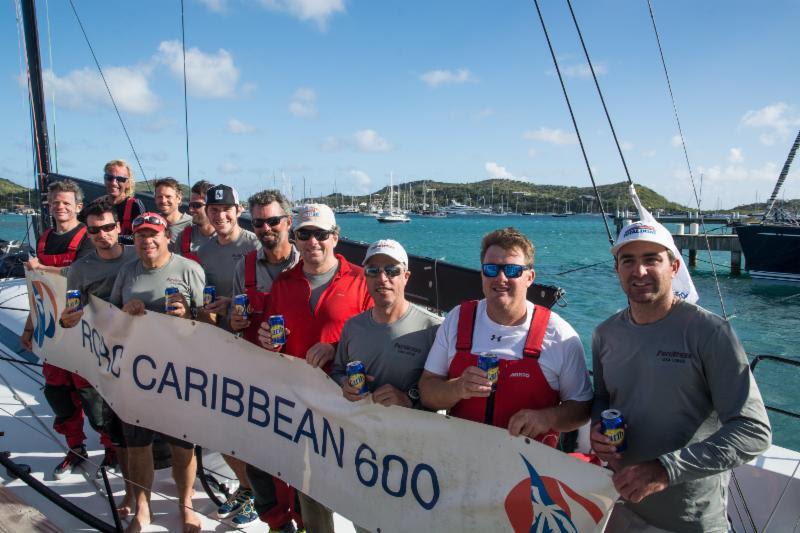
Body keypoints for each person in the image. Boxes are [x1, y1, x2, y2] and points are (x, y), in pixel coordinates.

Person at [590, 220, 772, 533]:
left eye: (651, 259)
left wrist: (665, 469)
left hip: (690, 521)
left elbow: (753, 431)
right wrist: (596, 428)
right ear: (617, 268)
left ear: (674, 266)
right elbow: (604, 398)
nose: (640, 271)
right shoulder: (605, 334)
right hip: (618, 509)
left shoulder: (711, 333)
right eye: (628, 260)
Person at [419, 227, 592, 446]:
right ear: (482, 274)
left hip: (530, 472)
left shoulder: (559, 335)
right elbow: (427, 390)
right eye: (491, 269)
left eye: (512, 270)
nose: (501, 278)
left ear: (530, 277)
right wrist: (458, 388)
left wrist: (546, 418)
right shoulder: (456, 319)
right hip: (460, 462)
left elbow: (582, 408)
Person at [258, 203, 372, 533]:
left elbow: (374, 340)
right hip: (300, 403)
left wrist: (335, 349)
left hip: (347, 403)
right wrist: (269, 340)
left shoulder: (361, 280)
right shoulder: (283, 283)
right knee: (310, 487)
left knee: (358, 489)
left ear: (335, 238)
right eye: (305, 234)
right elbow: (273, 333)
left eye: (321, 234)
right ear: (294, 238)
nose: (313, 242)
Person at [109, 212, 205, 533]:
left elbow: (211, 327)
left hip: (180, 375)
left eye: (154, 235)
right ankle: (142, 508)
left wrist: (189, 311)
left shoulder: (189, 270)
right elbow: (109, 323)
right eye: (140, 235)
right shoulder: (126, 273)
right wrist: (126, 313)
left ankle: (185, 504)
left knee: (183, 447)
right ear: (133, 240)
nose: (147, 241)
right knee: (138, 446)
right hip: (137, 375)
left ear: (167, 237)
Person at [20, 179, 103, 480]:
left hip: (83, 332)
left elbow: (80, 274)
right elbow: (36, 290)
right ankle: (75, 448)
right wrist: (29, 329)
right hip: (51, 332)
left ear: (79, 207)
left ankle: (113, 450)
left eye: (66, 202)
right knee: (58, 394)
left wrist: (41, 268)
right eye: (55, 202)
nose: (60, 207)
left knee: (92, 396)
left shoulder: (87, 237)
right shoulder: (43, 241)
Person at [229, 190, 301, 531]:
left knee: (301, 464)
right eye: (259, 222)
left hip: (300, 382)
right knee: (258, 460)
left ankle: (302, 521)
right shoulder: (242, 268)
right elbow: (233, 316)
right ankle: (274, 522)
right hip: (257, 381)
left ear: (288, 222)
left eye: (273, 221)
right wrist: (232, 320)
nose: (266, 228)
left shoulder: (308, 264)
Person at [59, 197, 136, 511]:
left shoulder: (137, 256)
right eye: (95, 230)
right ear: (87, 233)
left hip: (146, 354)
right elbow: (71, 312)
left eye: (108, 227)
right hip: (107, 357)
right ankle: (127, 481)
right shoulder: (79, 269)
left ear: (118, 227)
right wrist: (68, 318)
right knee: (112, 419)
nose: (103, 234)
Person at [195, 183, 260, 526]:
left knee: (252, 428)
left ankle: (260, 492)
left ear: (238, 210)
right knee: (217, 426)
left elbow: (268, 296)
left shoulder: (254, 245)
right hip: (215, 347)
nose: (220, 215)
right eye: (214, 210)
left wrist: (232, 304)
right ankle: (248, 488)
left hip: (251, 350)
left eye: (226, 209)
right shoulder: (203, 251)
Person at [102, 159, 144, 242]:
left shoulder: (135, 206)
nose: (114, 183)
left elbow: (143, 237)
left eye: (120, 179)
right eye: (109, 178)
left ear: (128, 183)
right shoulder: (96, 206)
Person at [173, 180, 216, 262]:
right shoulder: (183, 237)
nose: (191, 210)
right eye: (190, 205)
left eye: (196, 205)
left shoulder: (226, 238)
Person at [154, 178, 192, 244]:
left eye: (168, 196)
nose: (163, 201)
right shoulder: (151, 223)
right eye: (159, 197)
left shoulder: (192, 225)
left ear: (179, 199)